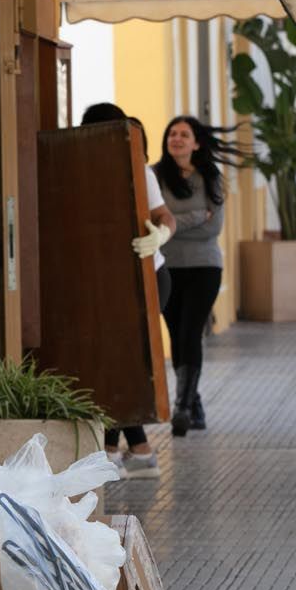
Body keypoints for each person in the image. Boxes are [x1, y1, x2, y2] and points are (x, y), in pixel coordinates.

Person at [82, 103, 173, 468]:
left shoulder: (140, 170)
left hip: (149, 277)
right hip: (107, 282)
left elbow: (164, 215)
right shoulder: (82, 172)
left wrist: (161, 234)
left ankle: (122, 448)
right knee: (113, 359)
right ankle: (131, 448)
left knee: (128, 359)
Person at [155, 116, 236, 436]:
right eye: (172, 134)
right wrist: (194, 217)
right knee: (176, 335)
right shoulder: (154, 175)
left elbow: (214, 228)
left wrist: (171, 224)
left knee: (190, 332)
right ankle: (195, 402)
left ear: (197, 143)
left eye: (184, 135)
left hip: (205, 267)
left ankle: (183, 407)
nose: (176, 139)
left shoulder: (211, 177)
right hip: (166, 267)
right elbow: (150, 221)